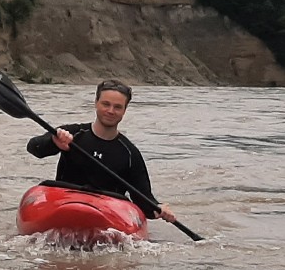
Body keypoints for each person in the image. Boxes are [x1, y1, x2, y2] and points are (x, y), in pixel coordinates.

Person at [26, 80, 177, 224]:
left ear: (124, 110)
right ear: (96, 103)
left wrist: (158, 208)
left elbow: (143, 198)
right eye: (106, 104)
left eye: (118, 107)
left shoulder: (130, 153)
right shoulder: (72, 134)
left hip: (107, 213)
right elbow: (34, 148)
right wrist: (53, 142)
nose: (111, 111)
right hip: (65, 203)